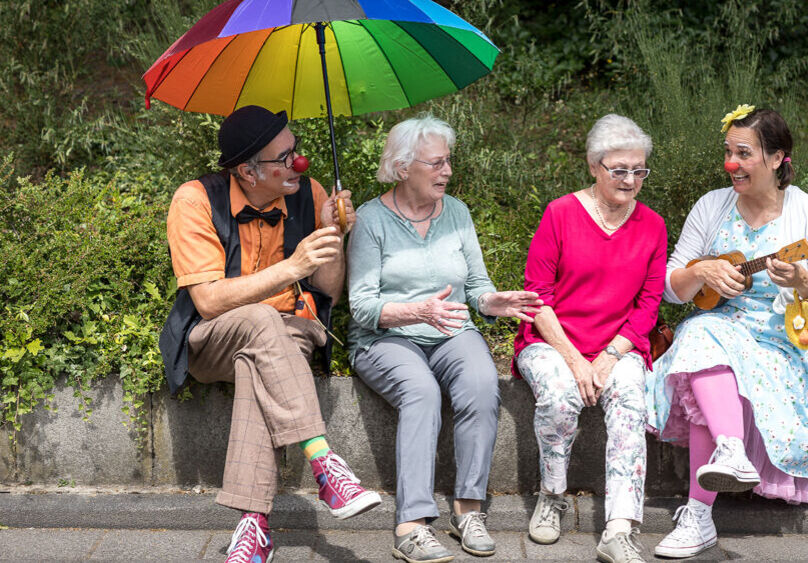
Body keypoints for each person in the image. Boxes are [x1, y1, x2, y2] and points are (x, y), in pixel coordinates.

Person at [646, 105, 808, 558]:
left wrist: (807, 283)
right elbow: (671, 288)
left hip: (788, 344)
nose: (731, 164)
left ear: (776, 158)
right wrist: (703, 272)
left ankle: (698, 514)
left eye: (743, 153)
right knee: (703, 338)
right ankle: (729, 453)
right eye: (728, 152)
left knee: (705, 348)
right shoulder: (711, 206)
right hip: (721, 328)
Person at [160, 105, 380, 563]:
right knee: (259, 322)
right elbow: (208, 301)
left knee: (256, 359)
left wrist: (332, 235)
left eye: (296, 151)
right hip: (211, 336)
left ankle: (253, 525)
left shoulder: (311, 193)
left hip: (294, 330)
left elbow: (327, 293)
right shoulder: (194, 200)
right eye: (285, 158)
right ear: (246, 170)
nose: (298, 163)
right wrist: (292, 266)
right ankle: (324, 461)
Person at [347, 115, 543, 563]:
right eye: (435, 163)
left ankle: (469, 509)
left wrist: (494, 302)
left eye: (448, 161)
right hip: (386, 336)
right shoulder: (372, 219)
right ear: (402, 168)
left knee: (479, 382)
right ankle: (412, 523)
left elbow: (475, 286)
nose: (447, 171)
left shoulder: (456, 212)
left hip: (451, 330)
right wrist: (419, 310)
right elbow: (361, 305)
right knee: (421, 391)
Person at [513, 114, 667, 563]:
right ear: (594, 166)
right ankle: (552, 495)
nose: (630, 179)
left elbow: (648, 302)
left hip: (619, 343)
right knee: (560, 392)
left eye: (639, 170)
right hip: (551, 338)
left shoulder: (653, 225)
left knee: (632, 398)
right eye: (619, 169)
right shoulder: (561, 213)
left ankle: (619, 528)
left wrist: (611, 354)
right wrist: (576, 360)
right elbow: (537, 298)